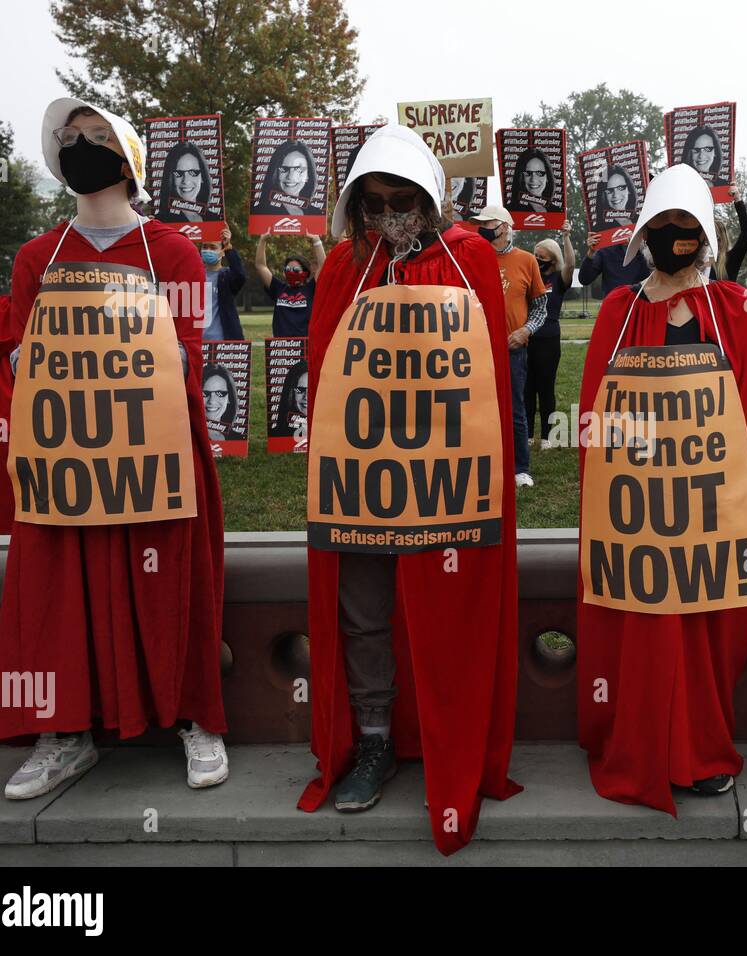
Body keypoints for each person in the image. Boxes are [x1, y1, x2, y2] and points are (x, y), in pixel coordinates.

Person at [0, 97, 228, 796]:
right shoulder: (38, 256)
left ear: (125, 159)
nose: (77, 147)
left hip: (153, 459)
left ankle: (193, 720)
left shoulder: (173, 252)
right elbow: (17, 356)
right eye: (69, 138)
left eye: (94, 137)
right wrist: (29, 360)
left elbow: (186, 359)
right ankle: (65, 734)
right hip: (68, 462)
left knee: (167, 585)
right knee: (60, 591)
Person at [297, 125, 520, 855]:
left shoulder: (472, 259)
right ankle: (371, 741)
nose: (388, 215)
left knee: (446, 610)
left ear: (430, 200)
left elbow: (486, 370)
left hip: (444, 482)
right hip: (363, 480)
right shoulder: (341, 268)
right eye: (373, 203)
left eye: (402, 200)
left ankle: (450, 739)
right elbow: (324, 363)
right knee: (363, 611)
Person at [576, 163, 747, 810]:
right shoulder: (617, 308)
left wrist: (720, 491)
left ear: (705, 235)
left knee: (703, 631)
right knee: (644, 631)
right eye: (661, 226)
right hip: (639, 514)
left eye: (684, 225)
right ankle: (639, 743)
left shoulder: (735, 308)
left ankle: (701, 748)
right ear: (642, 234)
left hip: (710, 510)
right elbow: (593, 416)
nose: (673, 236)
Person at [471, 203, 547, 488]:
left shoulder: (527, 260)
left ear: (503, 227)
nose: (482, 229)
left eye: (488, 224)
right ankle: (484, 463)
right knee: (478, 409)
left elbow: (541, 307)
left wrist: (525, 330)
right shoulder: (474, 258)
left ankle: (520, 468)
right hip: (477, 348)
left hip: (514, 350)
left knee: (515, 409)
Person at [527, 224, 575, 449]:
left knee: (546, 387)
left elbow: (571, 264)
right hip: (528, 336)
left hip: (549, 338)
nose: (537, 259)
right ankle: (527, 433)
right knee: (527, 387)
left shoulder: (559, 278)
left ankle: (547, 436)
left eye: (542, 257)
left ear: (553, 259)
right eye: (535, 256)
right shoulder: (530, 276)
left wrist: (565, 237)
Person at [256, 231, 326, 336]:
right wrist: (262, 240)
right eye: (288, 269)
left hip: (304, 347)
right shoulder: (278, 288)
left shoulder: (311, 288)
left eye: (295, 270)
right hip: (281, 348)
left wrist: (316, 241)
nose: (291, 272)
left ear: (305, 272)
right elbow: (260, 266)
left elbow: (323, 265)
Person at [200, 224, 246, 341]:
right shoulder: (194, 275)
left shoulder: (226, 276)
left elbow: (240, 275)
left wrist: (228, 246)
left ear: (222, 252)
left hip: (223, 342)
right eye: (205, 247)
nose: (208, 250)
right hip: (198, 342)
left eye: (213, 247)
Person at [253, 140, 322, 216]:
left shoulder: (316, 213)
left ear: (308, 175)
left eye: (298, 169)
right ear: (275, 174)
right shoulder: (260, 212)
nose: (290, 176)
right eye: (284, 169)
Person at [157, 141, 211, 223]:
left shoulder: (215, 219)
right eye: (178, 173)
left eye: (193, 172)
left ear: (202, 177)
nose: (186, 181)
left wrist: (224, 235)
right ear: (171, 178)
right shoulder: (161, 221)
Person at [711, 182, 747, 282]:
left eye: (717, 237)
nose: (713, 241)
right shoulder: (698, 262)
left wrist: (737, 199)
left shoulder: (731, 259)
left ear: (722, 239)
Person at [507, 148, 558, 213]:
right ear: (521, 177)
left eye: (539, 173)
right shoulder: (509, 211)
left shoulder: (557, 211)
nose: (533, 179)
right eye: (528, 173)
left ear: (548, 177)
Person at [269, 360, 308, 438]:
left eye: (313, 389)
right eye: (300, 390)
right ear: (291, 394)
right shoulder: (276, 435)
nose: (306, 397)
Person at [202, 363, 239, 440]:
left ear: (229, 398)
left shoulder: (238, 438)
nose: (212, 401)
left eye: (220, 393)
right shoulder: (186, 438)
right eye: (205, 393)